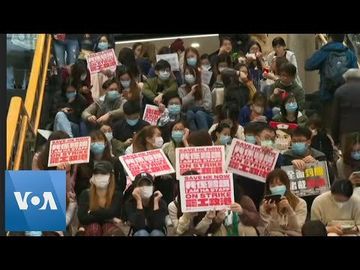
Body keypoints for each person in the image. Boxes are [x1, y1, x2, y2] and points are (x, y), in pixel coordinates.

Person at [305, 34, 358, 129]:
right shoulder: (349, 53)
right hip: (344, 96)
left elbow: (308, 65)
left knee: (328, 127)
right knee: (343, 127)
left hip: (327, 96)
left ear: (329, 38)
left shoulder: (325, 51)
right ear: (344, 38)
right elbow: (355, 73)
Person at [77, 161, 123, 236]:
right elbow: (82, 217)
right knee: (94, 228)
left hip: (110, 226)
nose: (100, 176)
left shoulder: (117, 194)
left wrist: (91, 212)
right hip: (89, 226)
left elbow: (113, 212)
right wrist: (109, 218)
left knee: (110, 230)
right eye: (96, 174)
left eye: (103, 174)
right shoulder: (85, 193)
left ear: (111, 177)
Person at [75, 130, 126, 197]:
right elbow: (79, 186)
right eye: (93, 140)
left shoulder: (115, 162)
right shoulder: (82, 165)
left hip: (111, 197)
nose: (96, 143)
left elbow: (121, 184)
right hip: (89, 197)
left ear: (105, 143)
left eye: (100, 139)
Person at [260, 169, 307, 236]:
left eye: (280, 184)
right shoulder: (264, 206)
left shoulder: (300, 203)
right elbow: (269, 230)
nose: (277, 188)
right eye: (273, 186)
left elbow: (297, 228)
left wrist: (289, 209)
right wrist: (274, 212)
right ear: (268, 188)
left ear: (286, 185)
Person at [178, 66, 212, 131]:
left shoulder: (205, 87)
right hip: (187, 115)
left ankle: (204, 136)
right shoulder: (181, 89)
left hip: (205, 115)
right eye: (186, 74)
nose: (188, 76)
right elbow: (181, 106)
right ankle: (195, 136)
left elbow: (208, 106)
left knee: (199, 114)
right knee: (190, 113)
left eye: (191, 74)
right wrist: (191, 93)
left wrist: (195, 108)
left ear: (196, 75)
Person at [332, 68, 360, 145]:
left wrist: (335, 138)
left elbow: (335, 116)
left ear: (346, 78)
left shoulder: (340, 91)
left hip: (346, 131)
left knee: (348, 155)